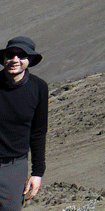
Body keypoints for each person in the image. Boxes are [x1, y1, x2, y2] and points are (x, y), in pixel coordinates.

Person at [0, 37, 48, 211]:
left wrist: (37, 173)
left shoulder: (38, 88)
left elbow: (38, 132)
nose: (15, 60)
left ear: (30, 60)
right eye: (10, 55)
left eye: (21, 55)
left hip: (14, 165)